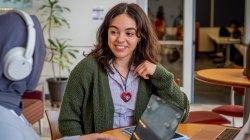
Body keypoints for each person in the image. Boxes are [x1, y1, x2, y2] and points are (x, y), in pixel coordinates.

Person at [58, 2, 190, 137]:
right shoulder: (86, 69)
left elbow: (183, 113)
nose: (120, 39)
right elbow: (68, 121)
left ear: (140, 37)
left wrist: (161, 76)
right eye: (114, 32)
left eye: (129, 33)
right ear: (106, 34)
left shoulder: (152, 69)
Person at [0, 10, 116, 140]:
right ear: (18, 63)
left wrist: (81, 139)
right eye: (37, 54)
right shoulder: (5, 126)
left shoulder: (9, 109)